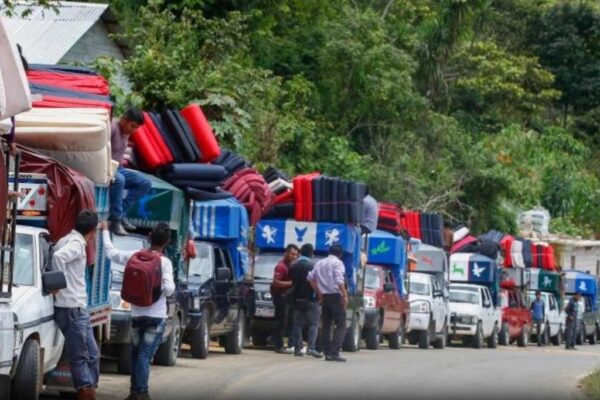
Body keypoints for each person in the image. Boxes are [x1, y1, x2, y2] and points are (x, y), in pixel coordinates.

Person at [102, 222, 175, 400]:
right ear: (167, 242)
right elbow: (170, 288)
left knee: (135, 354)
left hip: (136, 315)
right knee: (144, 356)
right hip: (156, 318)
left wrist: (104, 231)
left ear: (149, 236)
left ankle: (135, 392)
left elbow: (110, 253)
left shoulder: (134, 256)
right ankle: (141, 393)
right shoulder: (164, 262)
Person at [53, 210, 100, 400]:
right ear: (92, 231)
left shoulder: (67, 239)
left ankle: (90, 389)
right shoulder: (76, 244)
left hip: (77, 308)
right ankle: (86, 392)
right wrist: (57, 284)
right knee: (81, 355)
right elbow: (58, 258)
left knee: (93, 354)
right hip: (72, 308)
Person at [109, 108, 151, 236]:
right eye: (132, 126)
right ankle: (116, 220)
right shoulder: (112, 128)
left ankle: (121, 213)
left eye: (136, 128)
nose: (133, 130)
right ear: (124, 119)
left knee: (145, 183)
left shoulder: (126, 132)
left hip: (118, 168)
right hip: (106, 168)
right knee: (120, 179)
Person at [308, 244, 349, 362]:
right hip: (336, 296)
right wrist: (345, 295)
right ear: (340, 254)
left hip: (325, 296)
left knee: (326, 325)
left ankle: (327, 352)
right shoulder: (338, 263)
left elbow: (310, 278)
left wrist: (319, 292)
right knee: (341, 325)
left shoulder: (319, 263)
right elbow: (339, 280)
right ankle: (334, 352)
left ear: (329, 251)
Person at [289, 243, 322, 358]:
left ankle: (297, 348)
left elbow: (291, 281)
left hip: (296, 299)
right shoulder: (313, 267)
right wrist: (319, 296)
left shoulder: (293, 265)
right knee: (313, 324)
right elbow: (315, 283)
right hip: (310, 300)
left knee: (298, 324)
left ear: (300, 252)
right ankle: (311, 348)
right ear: (311, 253)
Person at [271, 244, 299, 354]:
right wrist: (292, 283)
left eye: (296, 255)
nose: (294, 256)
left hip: (290, 299)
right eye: (292, 254)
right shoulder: (281, 266)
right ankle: (278, 346)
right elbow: (276, 283)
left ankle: (290, 345)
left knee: (291, 321)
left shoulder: (292, 266)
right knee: (282, 322)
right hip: (281, 298)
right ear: (286, 253)